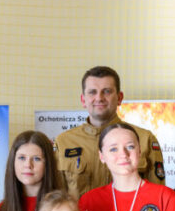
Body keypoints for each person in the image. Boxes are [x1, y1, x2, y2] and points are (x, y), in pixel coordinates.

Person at [55, 66, 165, 199]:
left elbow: (157, 197)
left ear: (119, 97)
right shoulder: (64, 142)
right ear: (83, 100)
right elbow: (56, 200)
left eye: (106, 91)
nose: (99, 98)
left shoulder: (144, 139)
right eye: (92, 92)